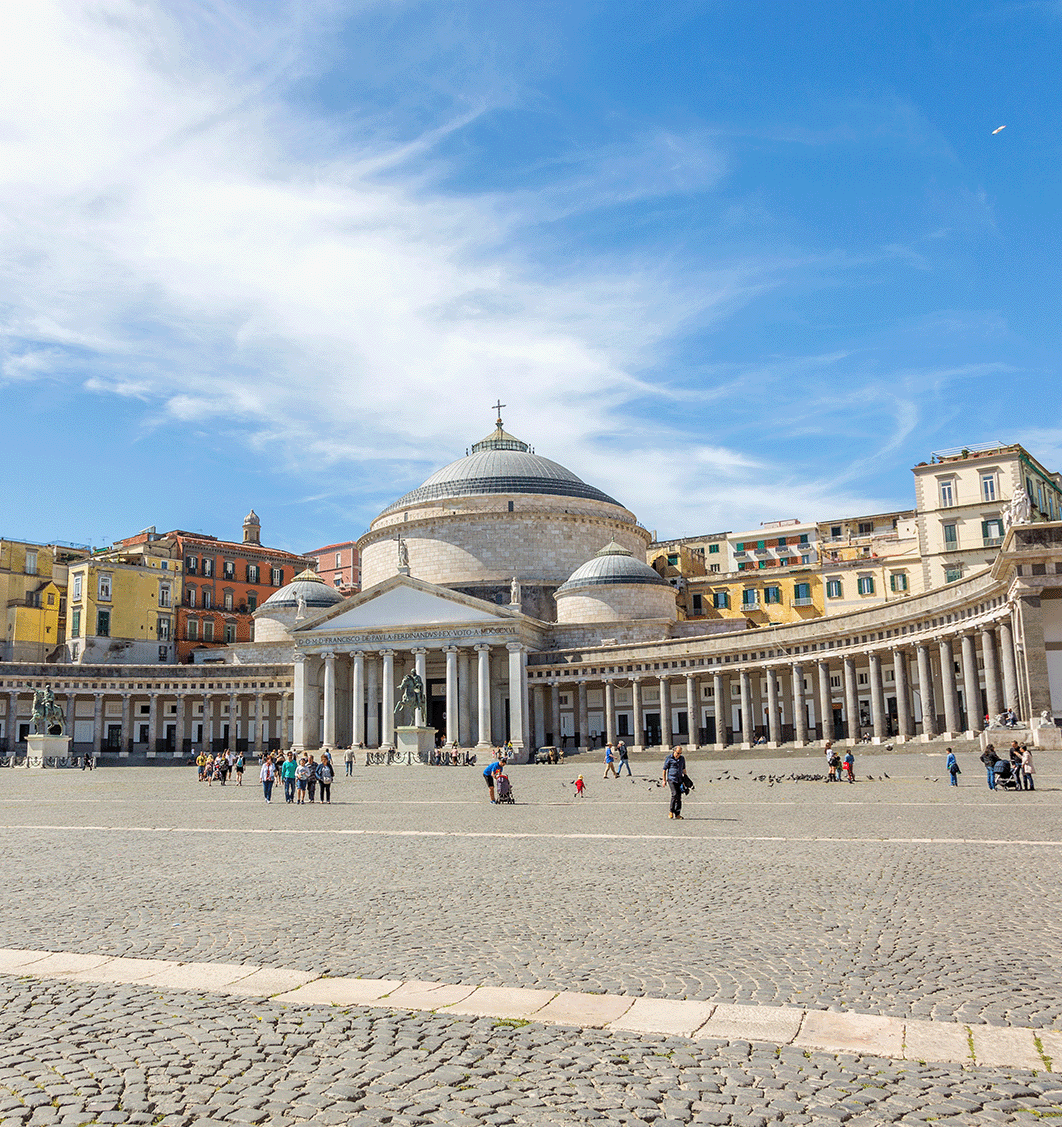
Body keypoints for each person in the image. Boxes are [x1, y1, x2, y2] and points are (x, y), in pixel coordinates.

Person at [663, 746, 687, 819]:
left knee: (679, 797)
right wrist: (664, 780)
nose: (678, 755)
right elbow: (664, 770)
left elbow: (684, 769)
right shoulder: (669, 758)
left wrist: (685, 779)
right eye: (677, 753)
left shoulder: (682, 759)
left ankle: (677, 814)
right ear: (674, 751)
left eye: (680, 753)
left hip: (679, 779)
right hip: (671, 779)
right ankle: (671, 811)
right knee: (674, 794)